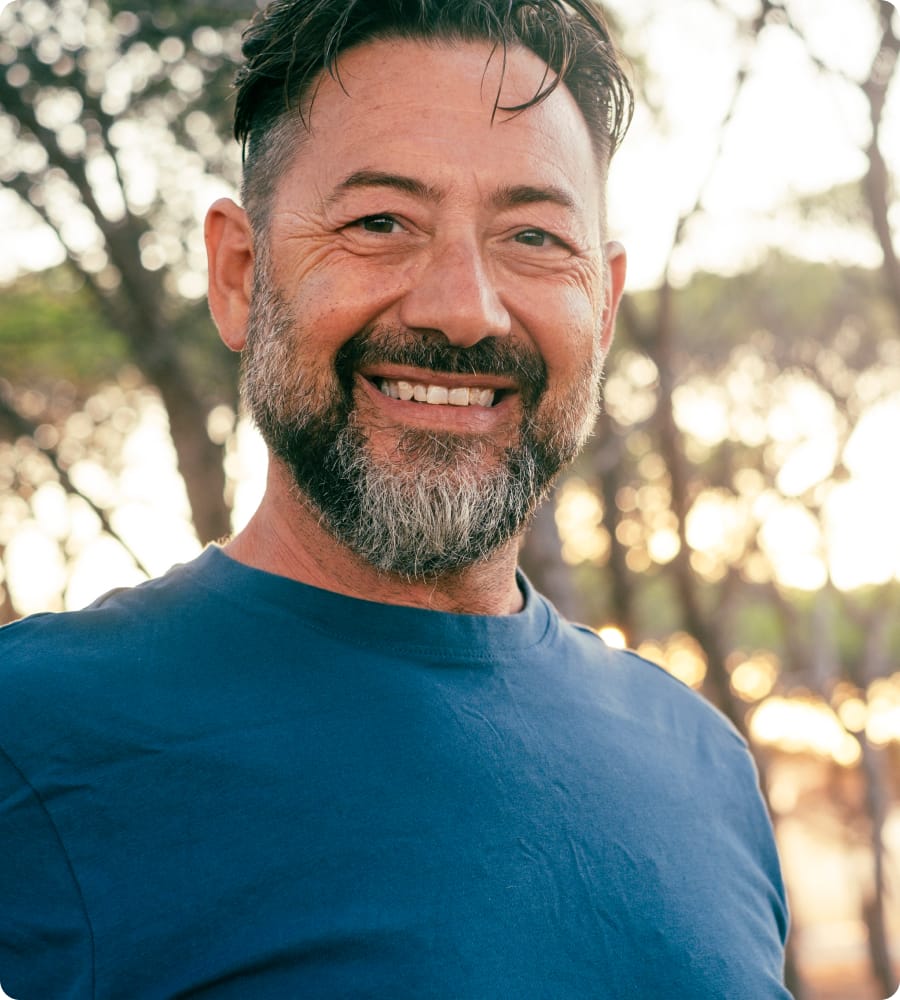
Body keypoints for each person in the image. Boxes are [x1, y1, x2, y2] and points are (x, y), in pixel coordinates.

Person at [0, 1, 791, 997]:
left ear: (601, 301)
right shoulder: (29, 737)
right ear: (240, 274)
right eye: (381, 223)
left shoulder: (705, 768)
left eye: (535, 237)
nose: (462, 309)